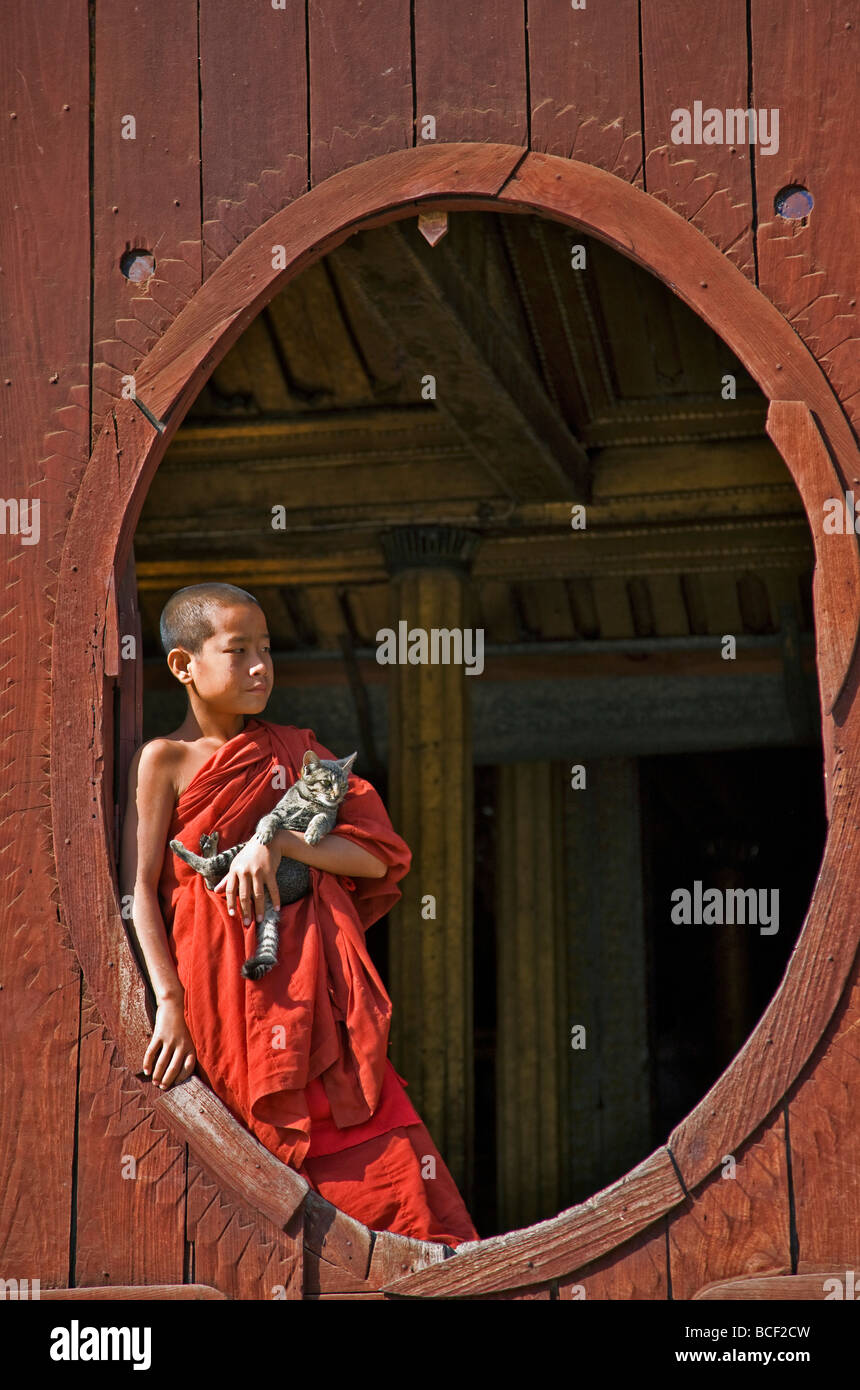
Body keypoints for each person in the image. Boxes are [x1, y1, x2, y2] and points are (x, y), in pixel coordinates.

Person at [119, 581, 479, 1249]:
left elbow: (376, 857)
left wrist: (278, 840)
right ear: (182, 666)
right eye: (238, 650)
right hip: (218, 1004)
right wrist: (166, 1002)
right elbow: (140, 889)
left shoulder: (298, 754)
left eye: (267, 649)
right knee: (251, 1208)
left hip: (314, 1009)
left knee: (392, 1188)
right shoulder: (163, 761)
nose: (261, 666)